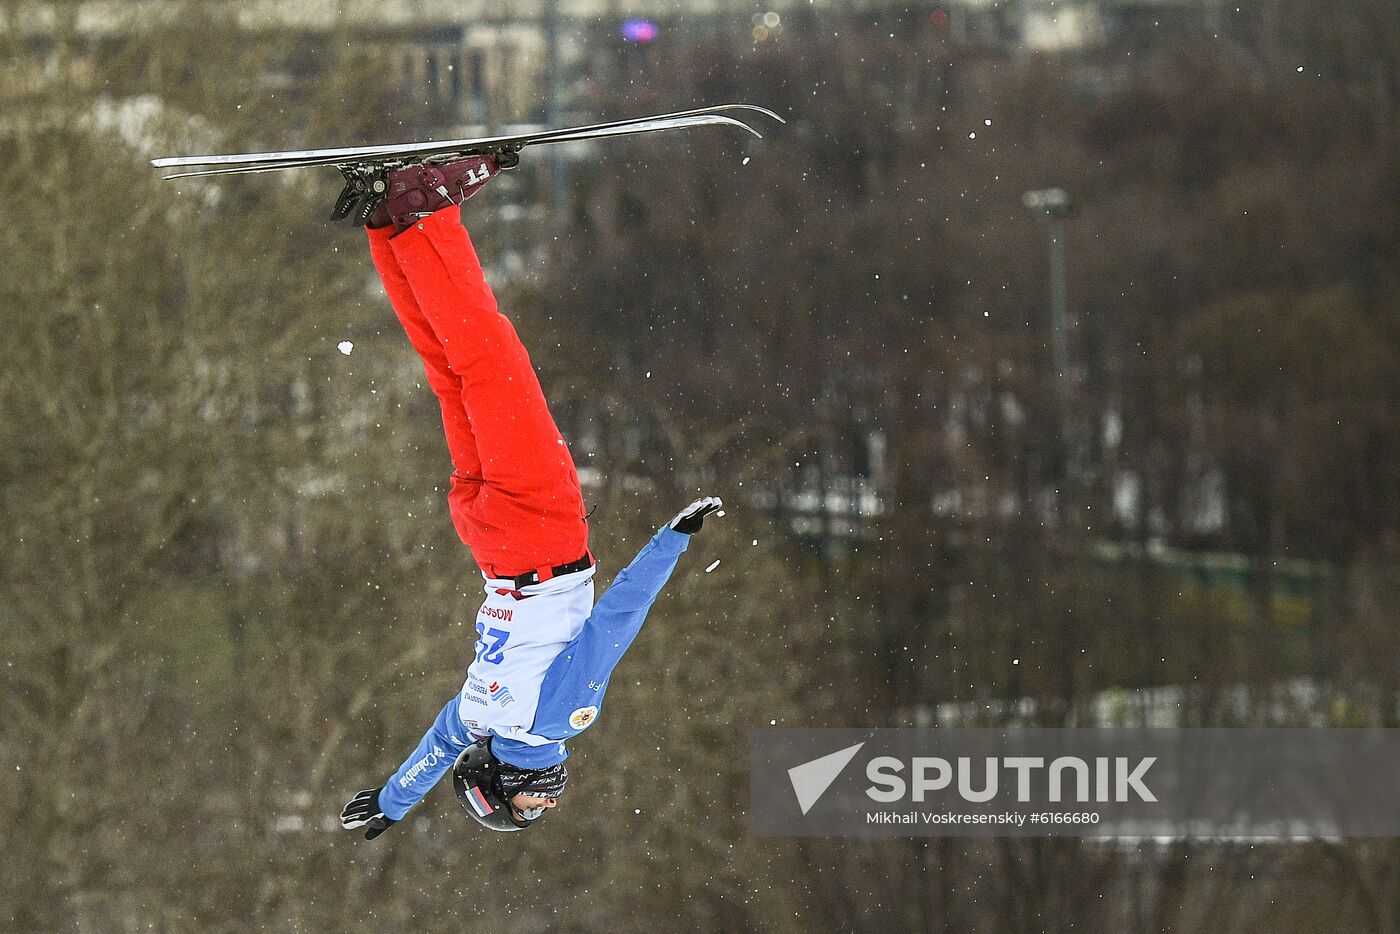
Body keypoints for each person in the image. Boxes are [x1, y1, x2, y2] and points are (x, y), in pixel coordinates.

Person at [337, 155, 721, 837]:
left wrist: (673, 540)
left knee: (489, 357)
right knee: (452, 372)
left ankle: (428, 208)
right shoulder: (479, 715)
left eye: (532, 804)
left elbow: (618, 621)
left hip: (539, 535)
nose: (549, 799)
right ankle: (391, 223)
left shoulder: (561, 717)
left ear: (505, 782)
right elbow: (435, 750)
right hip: (488, 540)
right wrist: (392, 801)